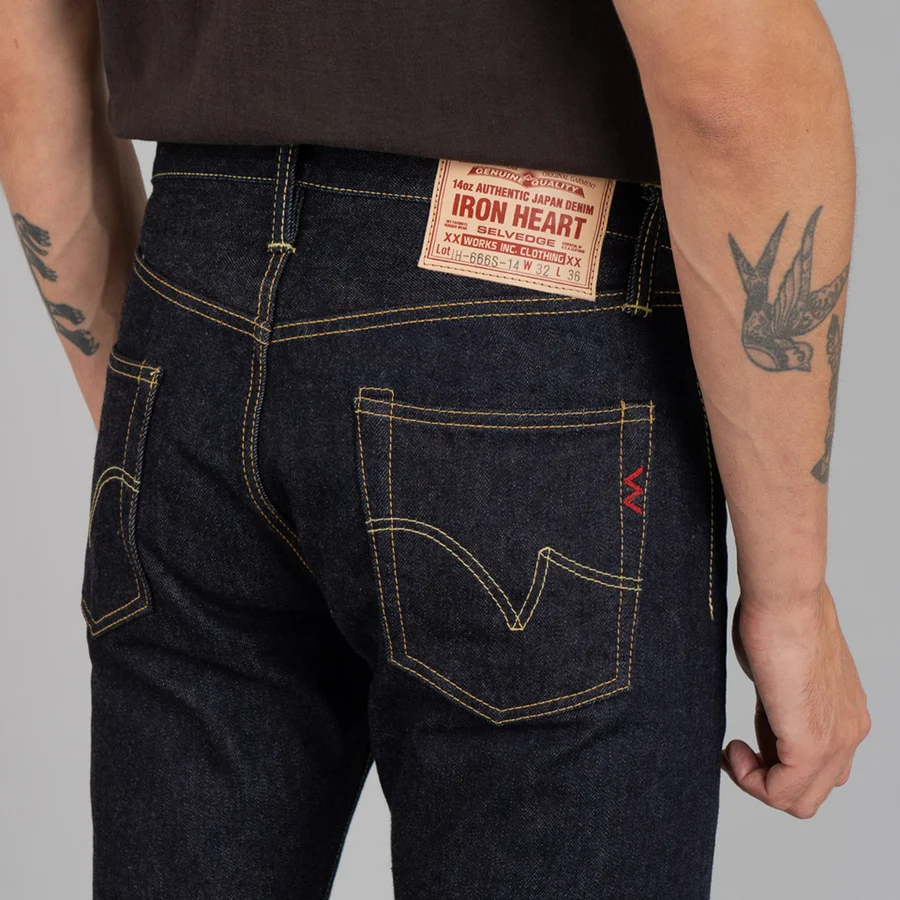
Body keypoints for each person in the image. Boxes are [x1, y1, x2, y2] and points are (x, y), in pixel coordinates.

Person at [0, 1, 871, 898]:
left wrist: (163, 404)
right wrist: (789, 600)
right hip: (522, 332)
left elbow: (25, 47)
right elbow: (728, 79)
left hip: (189, 303)